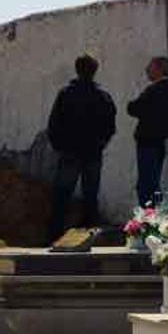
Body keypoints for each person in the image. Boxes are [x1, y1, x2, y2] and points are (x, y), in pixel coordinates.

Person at [47, 55, 117, 241]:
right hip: (93, 152)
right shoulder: (103, 96)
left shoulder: (66, 93)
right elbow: (110, 126)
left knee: (62, 195)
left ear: (77, 69)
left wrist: (59, 146)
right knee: (90, 196)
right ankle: (89, 237)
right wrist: (101, 144)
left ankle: (55, 235)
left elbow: (54, 124)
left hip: (70, 151)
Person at [128, 57, 168, 207]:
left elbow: (134, 108)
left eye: (150, 67)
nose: (147, 70)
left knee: (147, 184)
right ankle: (156, 216)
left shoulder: (155, 89)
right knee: (153, 181)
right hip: (163, 140)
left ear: (160, 69)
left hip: (149, 141)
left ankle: (149, 219)